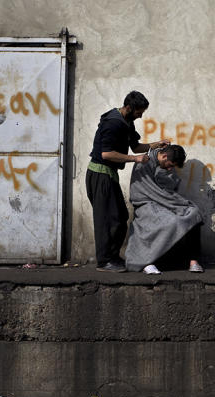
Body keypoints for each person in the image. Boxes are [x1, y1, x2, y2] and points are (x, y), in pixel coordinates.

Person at [87, 91, 168, 272]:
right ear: (129, 108)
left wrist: (156, 144)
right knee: (107, 220)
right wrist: (135, 159)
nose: (141, 115)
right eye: (139, 112)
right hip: (99, 175)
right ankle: (104, 261)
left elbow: (136, 146)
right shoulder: (113, 123)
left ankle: (112, 257)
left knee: (120, 217)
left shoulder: (126, 122)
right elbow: (106, 154)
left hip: (108, 175)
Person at [125, 144, 205, 275]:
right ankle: (147, 261)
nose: (170, 168)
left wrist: (164, 173)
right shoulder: (144, 162)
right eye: (170, 165)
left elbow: (170, 186)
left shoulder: (166, 165)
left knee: (193, 213)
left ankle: (193, 261)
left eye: (172, 166)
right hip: (146, 203)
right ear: (164, 156)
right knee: (171, 221)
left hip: (166, 201)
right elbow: (140, 191)